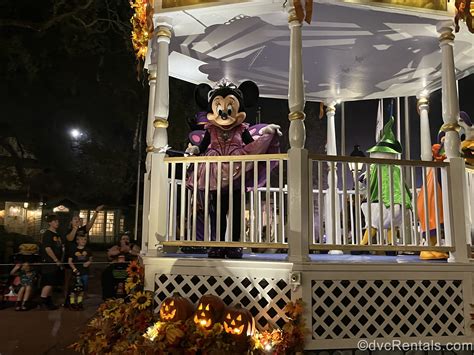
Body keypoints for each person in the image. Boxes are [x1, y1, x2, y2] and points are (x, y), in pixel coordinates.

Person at [63, 205, 103, 305]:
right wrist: (75, 228)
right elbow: (70, 238)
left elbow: (90, 225)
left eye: (78, 218)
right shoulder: (69, 231)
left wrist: (96, 212)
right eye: (75, 219)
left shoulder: (81, 231)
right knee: (69, 281)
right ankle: (67, 300)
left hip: (81, 260)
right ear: (71, 222)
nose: (77, 220)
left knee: (82, 280)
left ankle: (81, 298)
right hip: (71, 260)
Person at [40, 214, 63, 310]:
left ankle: (48, 301)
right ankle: (43, 301)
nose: (57, 223)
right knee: (48, 282)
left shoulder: (57, 234)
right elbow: (48, 248)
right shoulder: (48, 234)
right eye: (55, 221)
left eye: (57, 221)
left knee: (52, 282)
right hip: (49, 262)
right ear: (50, 222)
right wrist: (55, 260)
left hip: (56, 262)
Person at [68, 234, 92, 309]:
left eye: (85, 239)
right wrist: (74, 269)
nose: (83, 241)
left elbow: (90, 259)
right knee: (73, 288)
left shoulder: (88, 250)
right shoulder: (73, 250)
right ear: (77, 241)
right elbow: (70, 261)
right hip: (76, 273)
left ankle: (79, 302)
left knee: (82, 288)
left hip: (85, 272)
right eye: (81, 239)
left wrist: (88, 262)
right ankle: (72, 303)